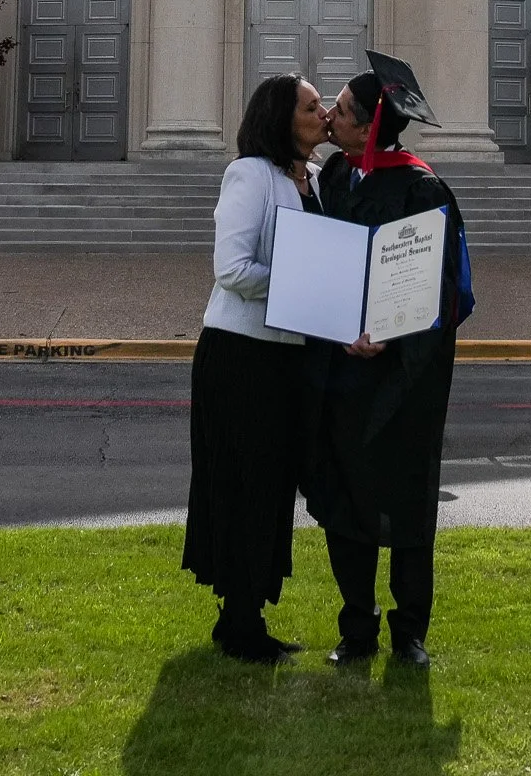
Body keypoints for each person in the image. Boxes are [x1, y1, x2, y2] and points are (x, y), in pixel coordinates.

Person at [303, 51, 472, 670]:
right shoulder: (332, 180)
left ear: (373, 124)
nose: (331, 118)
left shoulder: (422, 188)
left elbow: (440, 291)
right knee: (346, 502)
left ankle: (410, 633)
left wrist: (389, 337)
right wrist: (337, 328)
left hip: (404, 380)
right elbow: (316, 266)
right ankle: (357, 628)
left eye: (344, 112)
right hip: (342, 369)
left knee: (405, 501)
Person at [182, 71, 329, 663]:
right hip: (241, 357)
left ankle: (248, 614)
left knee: (273, 489)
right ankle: (238, 621)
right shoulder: (249, 175)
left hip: (291, 358)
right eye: (313, 105)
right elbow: (232, 269)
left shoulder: (317, 179)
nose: (323, 114)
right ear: (281, 117)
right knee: (241, 485)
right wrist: (306, 286)